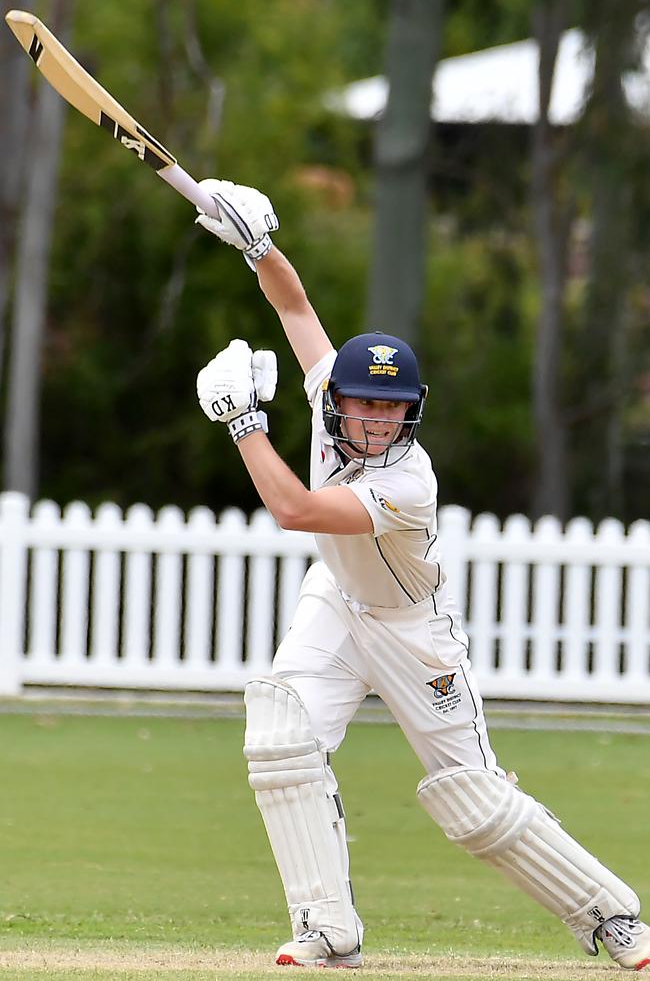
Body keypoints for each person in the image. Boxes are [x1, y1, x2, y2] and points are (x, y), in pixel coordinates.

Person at [193, 179, 650, 971]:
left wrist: (242, 425)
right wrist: (261, 247)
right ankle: (326, 928)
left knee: (472, 801)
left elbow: (297, 510)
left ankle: (614, 917)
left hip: (412, 630)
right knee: (279, 736)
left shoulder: (408, 483)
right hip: (335, 603)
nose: (375, 420)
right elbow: (297, 313)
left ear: (412, 411)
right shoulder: (325, 392)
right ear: (335, 397)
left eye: (392, 407)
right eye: (362, 403)